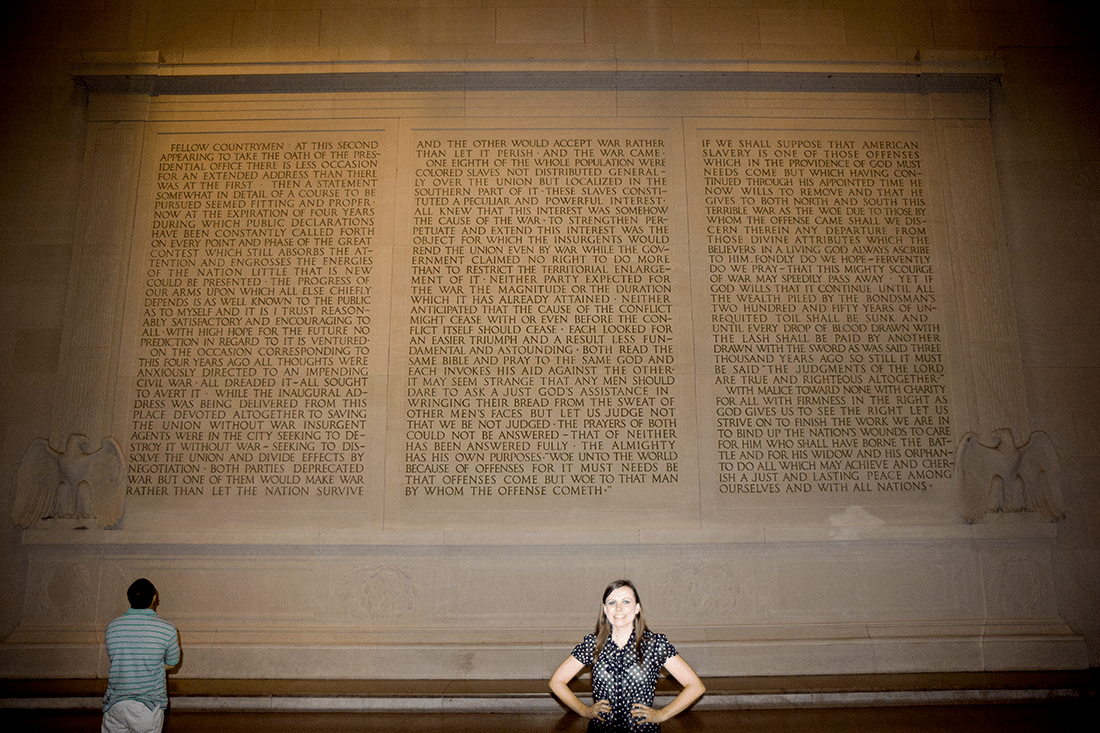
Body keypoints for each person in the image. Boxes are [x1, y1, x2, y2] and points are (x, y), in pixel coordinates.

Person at [549, 579, 705, 731]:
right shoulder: (593, 644)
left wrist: (662, 714)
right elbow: (556, 681)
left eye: (626, 602)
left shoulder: (655, 645)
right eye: (612, 603)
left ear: (637, 608)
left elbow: (696, 686)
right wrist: (584, 710)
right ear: (605, 609)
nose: (618, 609)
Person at [102, 578, 181, 733]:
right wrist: (154, 666)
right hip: (148, 707)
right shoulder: (167, 630)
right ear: (154, 598)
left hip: (115, 705)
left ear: (129, 598)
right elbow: (173, 662)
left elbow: (117, 660)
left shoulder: (112, 628)